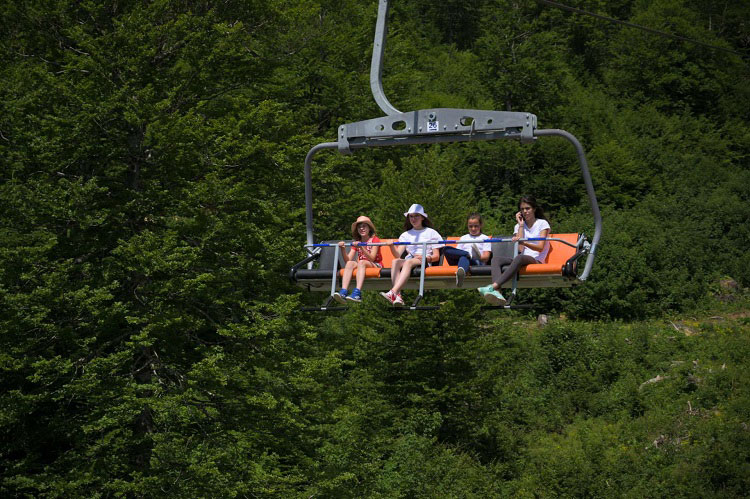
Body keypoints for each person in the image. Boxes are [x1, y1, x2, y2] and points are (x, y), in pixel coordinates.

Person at [478, 196, 550, 306]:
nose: (525, 212)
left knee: (519, 258)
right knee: (496, 259)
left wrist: (523, 242)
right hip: (520, 257)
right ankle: (498, 292)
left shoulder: (542, 223)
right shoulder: (518, 226)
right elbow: (520, 249)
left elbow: (540, 247)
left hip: (536, 259)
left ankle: (493, 286)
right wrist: (521, 225)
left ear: (534, 209)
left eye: (527, 208)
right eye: (522, 209)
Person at [380, 204, 443, 307]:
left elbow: (436, 256)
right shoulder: (405, 235)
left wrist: (427, 258)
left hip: (424, 260)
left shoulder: (432, 233)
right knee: (395, 262)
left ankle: (393, 292)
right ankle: (397, 296)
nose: (413, 219)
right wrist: (391, 246)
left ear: (422, 217)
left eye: (416, 216)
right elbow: (398, 255)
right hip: (410, 260)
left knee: (408, 262)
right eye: (411, 216)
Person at [333, 216, 382, 304]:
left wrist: (362, 248)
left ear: (369, 228)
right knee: (350, 264)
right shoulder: (357, 241)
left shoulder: (375, 240)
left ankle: (357, 292)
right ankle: (344, 291)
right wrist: (343, 249)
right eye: (359, 227)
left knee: (361, 262)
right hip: (362, 265)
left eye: (364, 226)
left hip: (375, 264)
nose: (362, 229)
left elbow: (372, 258)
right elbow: (348, 260)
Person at [443, 212, 492, 287]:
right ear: (467, 226)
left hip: (476, 262)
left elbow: (486, 258)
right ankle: (467, 255)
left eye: (476, 226)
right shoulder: (463, 238)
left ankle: (461, 272)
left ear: (481, 225)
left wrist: (477, 255)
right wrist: (467, 254)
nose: (473, 229)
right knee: (446, 249)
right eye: (470, 226)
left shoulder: (485, 238)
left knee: (464, 257)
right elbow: (457, 253)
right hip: (460, 260)